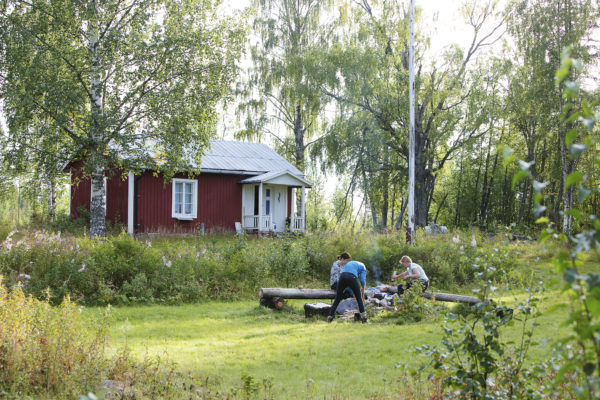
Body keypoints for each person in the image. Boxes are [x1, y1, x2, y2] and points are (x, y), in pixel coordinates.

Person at [328, 252, 368, 323]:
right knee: (359, 299)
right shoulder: (363, 268)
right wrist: (362, 286)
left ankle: (330, 317)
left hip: (342, 277)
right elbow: (362, 280)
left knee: (337, 298)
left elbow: (345, 273)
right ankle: (364, 319)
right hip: (352, 277)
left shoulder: (351, 263)